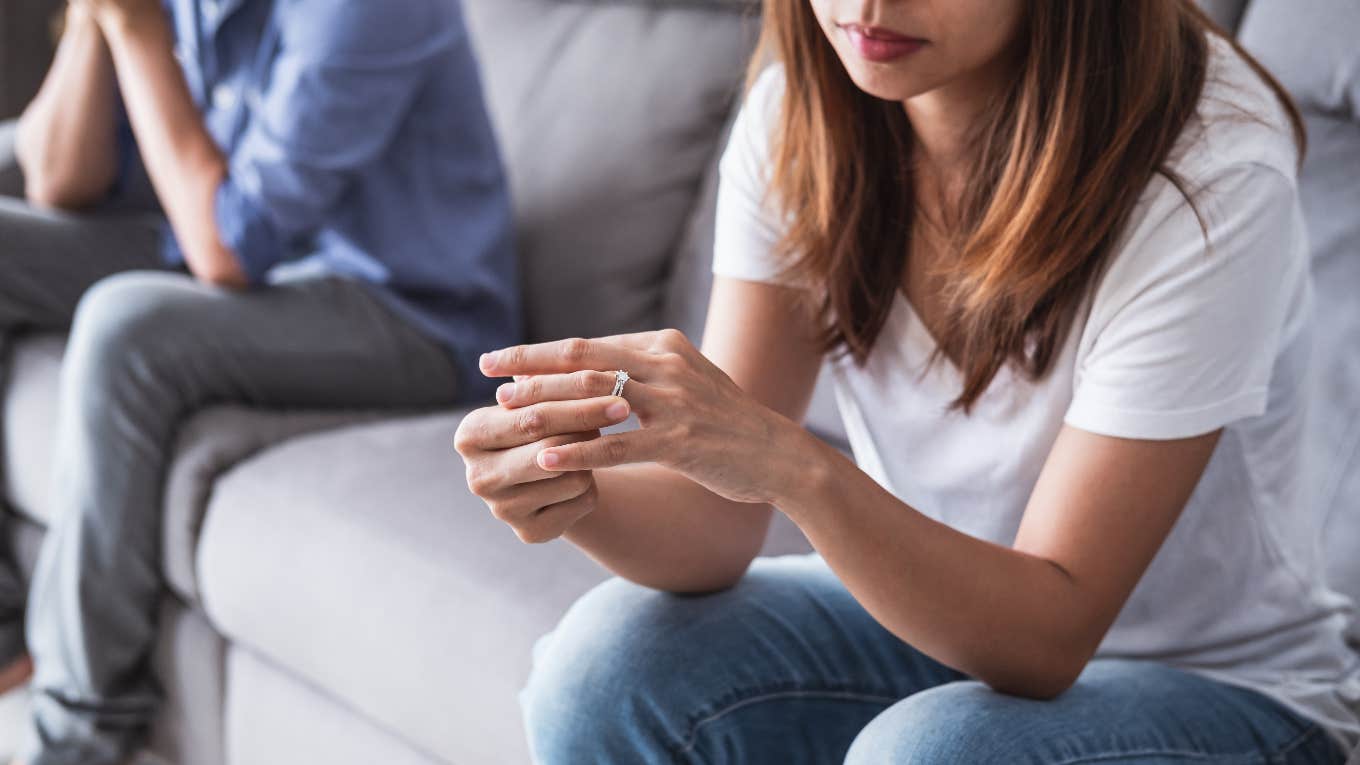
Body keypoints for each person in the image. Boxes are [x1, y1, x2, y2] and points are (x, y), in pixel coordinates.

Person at [454, 0, 1360, 762]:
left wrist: (795, 465)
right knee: (605, 666)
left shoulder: (1206, 165)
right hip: (933, 620)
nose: (871, 5)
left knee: (933, 753)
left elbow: (1047, 637)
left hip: (1228, 686)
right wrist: (572, 486)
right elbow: (714, 528)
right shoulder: (805, 120)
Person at [0, 0, 518, 761]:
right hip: (255, 267)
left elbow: (228, 248)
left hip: (410, 312)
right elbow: (61, 181)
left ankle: (79, 732)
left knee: (124, 325)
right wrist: (96, 21)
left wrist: (139, 35)